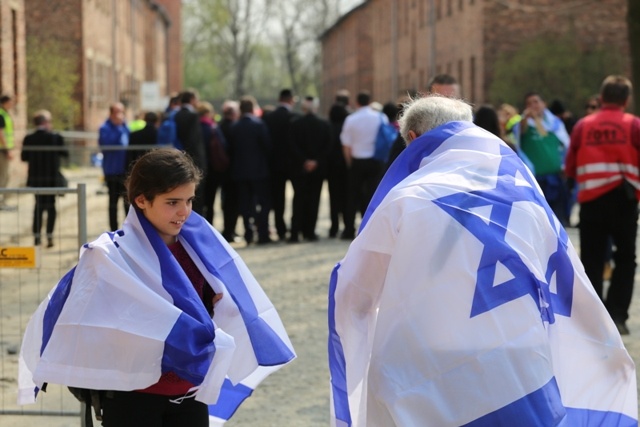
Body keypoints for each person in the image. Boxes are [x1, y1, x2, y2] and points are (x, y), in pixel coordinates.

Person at [328, 95, 637, 426]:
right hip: (521, 346)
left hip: (435, 352)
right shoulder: (523, 187)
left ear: (414, 139)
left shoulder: (407, 197)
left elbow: (355, 291)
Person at [18, 149, 295, 426]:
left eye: (189, 200)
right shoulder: (110, 257)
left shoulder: (200, 248)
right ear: (141, 200)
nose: (184, 211)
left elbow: (208, 305)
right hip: (133, 396)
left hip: (188, 394)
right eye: (172, 202)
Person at [565, 75, 640, 335]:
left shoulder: (583, 126)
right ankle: (617, 315)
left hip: (591, 202)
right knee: (625, 258)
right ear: (626, 100)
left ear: (601, 97)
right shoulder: (633, 125)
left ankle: (594, 321)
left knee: (592, 260)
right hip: (624, 200)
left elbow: (571, 166)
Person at [513, 92, 570, 225]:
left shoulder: (555, 124)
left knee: (557, 219)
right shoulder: (524, 124)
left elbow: (567, 145)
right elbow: (519, 133)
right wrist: (525, 119)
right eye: (529, 103)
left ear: (544, 104)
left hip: (555, 178)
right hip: (535, 180)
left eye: (536, 102)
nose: (533, 105)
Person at [340, 91, 388, 240]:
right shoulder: (380, 117)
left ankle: (349, 229)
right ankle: (370, 229)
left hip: (357, 161)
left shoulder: (351, 119)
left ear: (357, 102)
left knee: (352, 196)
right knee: (373, 195)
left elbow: (346, 145)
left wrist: (350, 163)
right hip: (375, 160)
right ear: (369, 101)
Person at [229, 96, 273, 245]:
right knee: (263, 203)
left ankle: (248, 233)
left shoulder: (234, 127)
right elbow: (267, 147)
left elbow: (230, 149)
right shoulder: (259, 125)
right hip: (259, 171)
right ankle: (262, 233)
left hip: (240, 171)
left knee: (244, 204)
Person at [21, 110, 68, 247]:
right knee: (51, 206)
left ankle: (37, 238)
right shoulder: (55, 137)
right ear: (46, 122)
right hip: (51, 178)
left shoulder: (29, 138)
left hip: (36, 178)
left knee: (38, 206)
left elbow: (24, 157)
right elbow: (65, 153)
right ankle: (49, 236)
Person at [288, 96, 331, 242]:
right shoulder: (324, 125)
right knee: (314, 200)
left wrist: (304, 161)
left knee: (298, 199)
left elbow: (292, 146)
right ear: (316, 108)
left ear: (303, 108)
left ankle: (295, 232)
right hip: (317, 169)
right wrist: (316, 161)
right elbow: (328, 146)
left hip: (300, 168)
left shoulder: (295, 124)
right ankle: (310, 232)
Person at [262, 88, 298, 241]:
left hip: (274, 163)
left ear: (279, 99)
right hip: (294, 162)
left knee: (278, 198)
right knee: (298, 196)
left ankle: (280, 228)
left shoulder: (269, 117)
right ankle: (296, 227)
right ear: (291, 100)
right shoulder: (295, 117)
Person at [174, 90, 207, 215]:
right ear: (192, 99)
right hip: (193, 161)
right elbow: (195, 142)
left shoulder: (175, 115)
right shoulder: (193, 116)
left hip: (177, 158)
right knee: (195, 199)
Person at [99, 102, 130, 231]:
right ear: (111, 113)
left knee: (127, 202)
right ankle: (113, 229)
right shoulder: (105, 128)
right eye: (118, 112)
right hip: (112, 170)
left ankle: (129, 229)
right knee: (113, 202)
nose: (120, 115)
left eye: (122, 111)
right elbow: (107, 144)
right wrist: (118, 128)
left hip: (125, 170)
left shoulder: (125, 126)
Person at [197, 101, 228, 225]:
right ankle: (209, 225)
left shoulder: (196, 128)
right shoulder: (213, 128)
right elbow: (223, 145)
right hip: (213, 168)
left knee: (199, 200)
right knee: (211, 201)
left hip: (198, 167)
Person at [326, 90, 351, 238]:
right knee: (347, 196)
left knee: (333, 197)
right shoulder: (349, 124)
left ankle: (334, 227)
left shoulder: (328, 125)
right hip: (346, 165)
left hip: (331, 166)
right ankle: (348, 225)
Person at [218, 100, 240, 242]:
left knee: (225, 202)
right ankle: (230, 230)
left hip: (221, 170)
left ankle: (227, 230)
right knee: (234, 203)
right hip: (235, 170)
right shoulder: (235, 128)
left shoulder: (218, 126)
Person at [0, 95, 15, 210]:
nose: (12, 105)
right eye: (10, 102)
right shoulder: (1, 114)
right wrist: (7, 149)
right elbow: (1, 133)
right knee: (3, 176)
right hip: (2, 150)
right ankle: (2, 202)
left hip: (3, 149)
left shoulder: (4, 113)